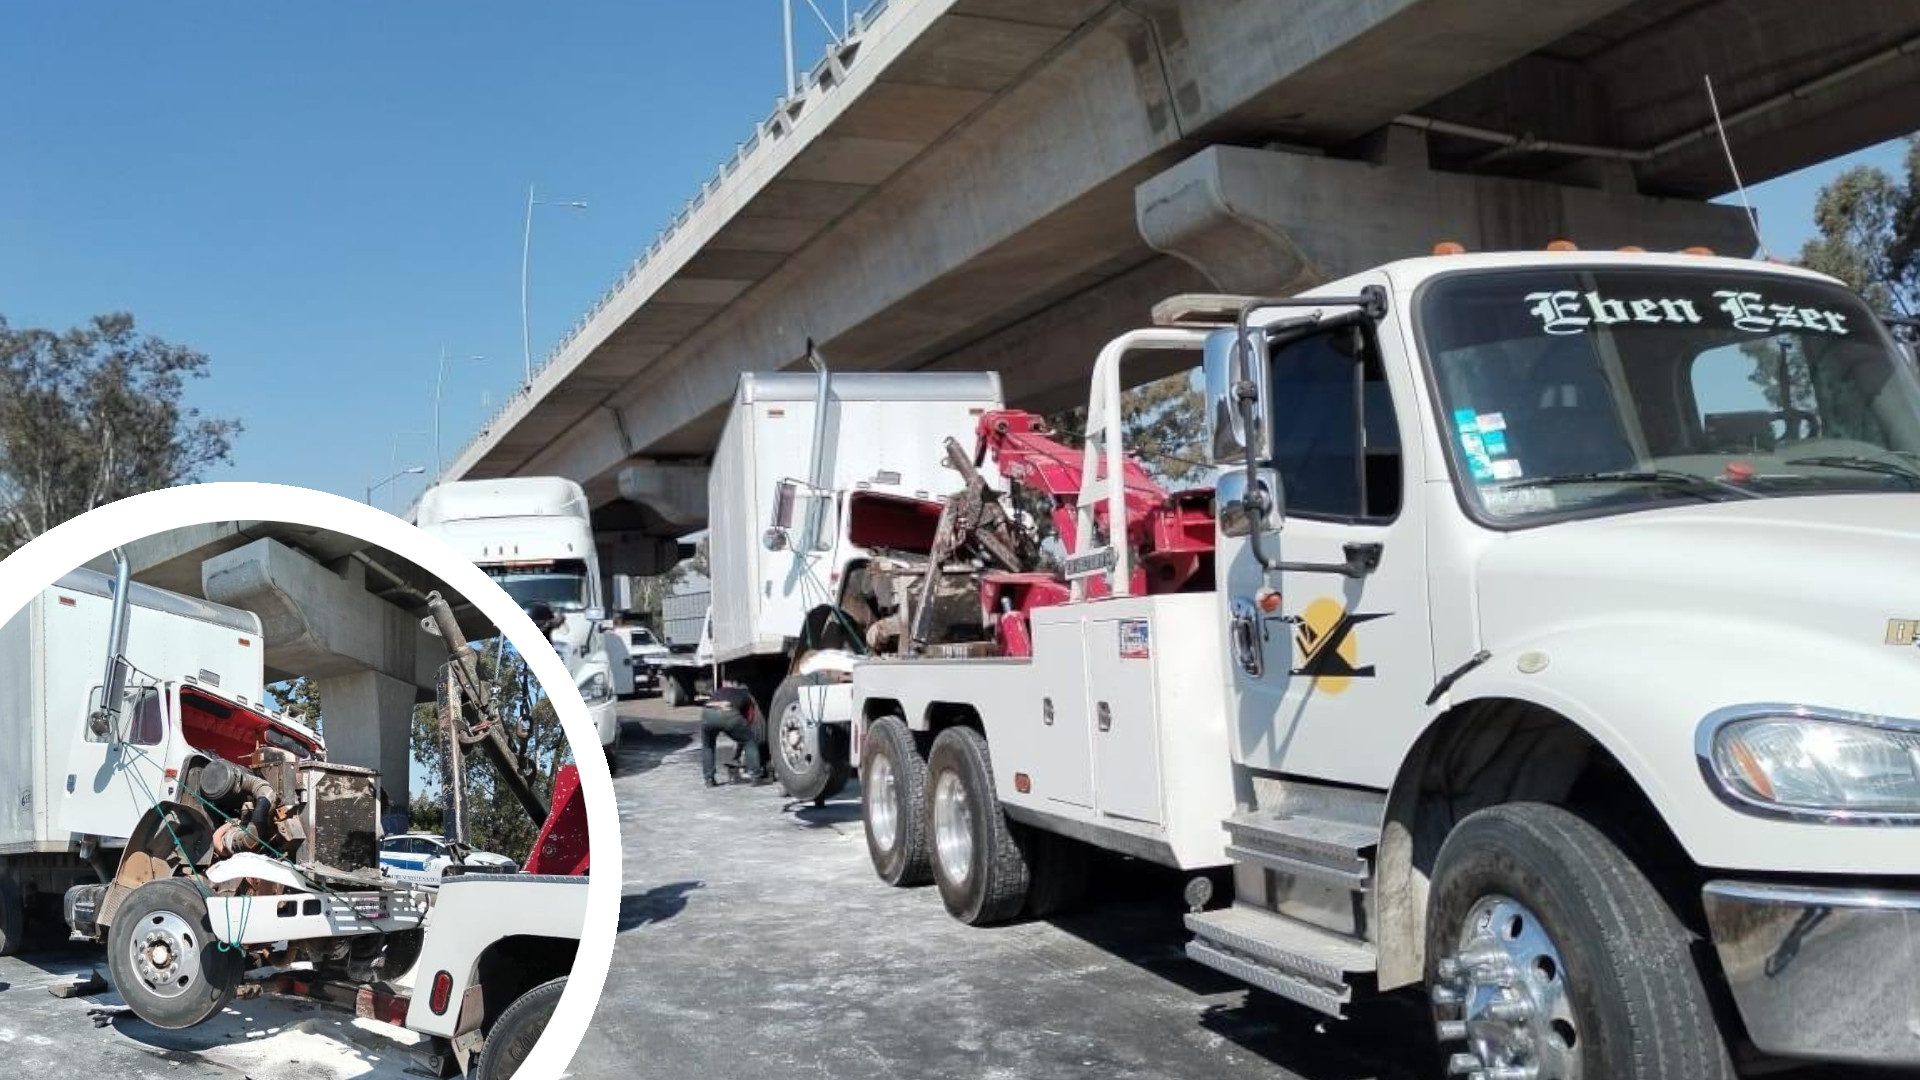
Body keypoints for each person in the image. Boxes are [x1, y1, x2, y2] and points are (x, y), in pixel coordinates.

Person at [700, 682, 765, 788]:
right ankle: (755, 777)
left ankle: (709, 779)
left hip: (707, 712)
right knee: (749, 741)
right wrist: (741, 737)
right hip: (727, 712)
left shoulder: (722, 690)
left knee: (708, 746)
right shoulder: (746, 696)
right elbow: (749, 719)